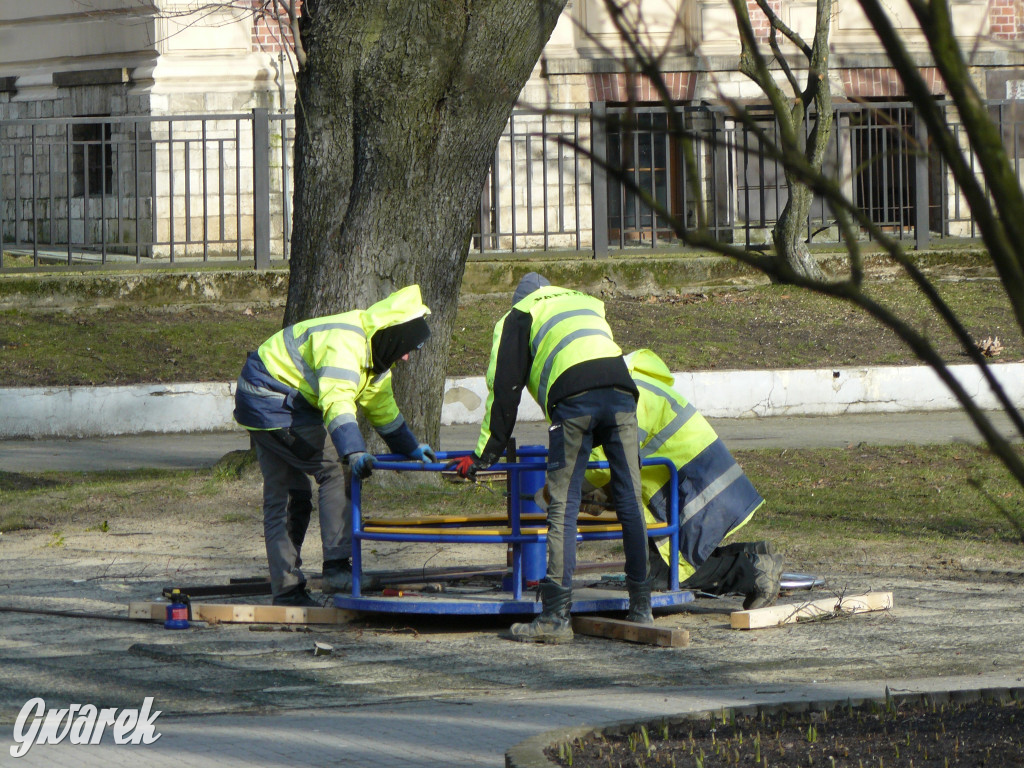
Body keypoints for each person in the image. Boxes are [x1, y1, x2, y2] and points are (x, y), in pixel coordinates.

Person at [449, 272, 651, 643]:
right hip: (622, 393)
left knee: (563, 505)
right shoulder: (585, 300)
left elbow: (504, 387)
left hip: (574, 401)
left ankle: (555, 618)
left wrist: (484, 455)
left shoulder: (519, 314)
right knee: (629, 501)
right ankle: (642, 607)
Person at [234, 285, 436, 606]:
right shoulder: (347, 342)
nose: (407, 356)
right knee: (334, 471)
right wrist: (353, 452)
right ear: (393, 335)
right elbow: (338, 401)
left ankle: (287, 589)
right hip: (273, 398)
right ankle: (337, 570)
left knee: (290, 494)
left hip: (261, 396)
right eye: (407, 347)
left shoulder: (375, 359)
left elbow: (383, 410)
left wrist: (411, 448)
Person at [580, 348, 783, 609]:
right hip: (699, 481)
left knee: (664, 574)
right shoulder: (636, 384)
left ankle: (753, 569)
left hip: (695, 489)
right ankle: (753, 554)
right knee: (660, 569)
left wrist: (563, 487)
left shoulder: (631, 396)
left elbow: (608, 460)